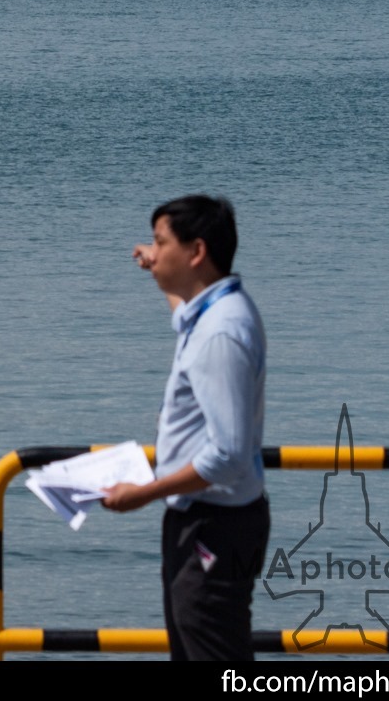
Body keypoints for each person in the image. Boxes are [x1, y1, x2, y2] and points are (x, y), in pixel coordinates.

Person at [102, 195, 269, 661]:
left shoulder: (220, 332)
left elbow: (229, 455)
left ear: (196, 252)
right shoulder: (210, 311)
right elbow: (183, 312)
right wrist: (162, 276)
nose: (152, 252)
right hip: (202, 520)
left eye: (160, 242)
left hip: (215, 525)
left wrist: (145, 493)